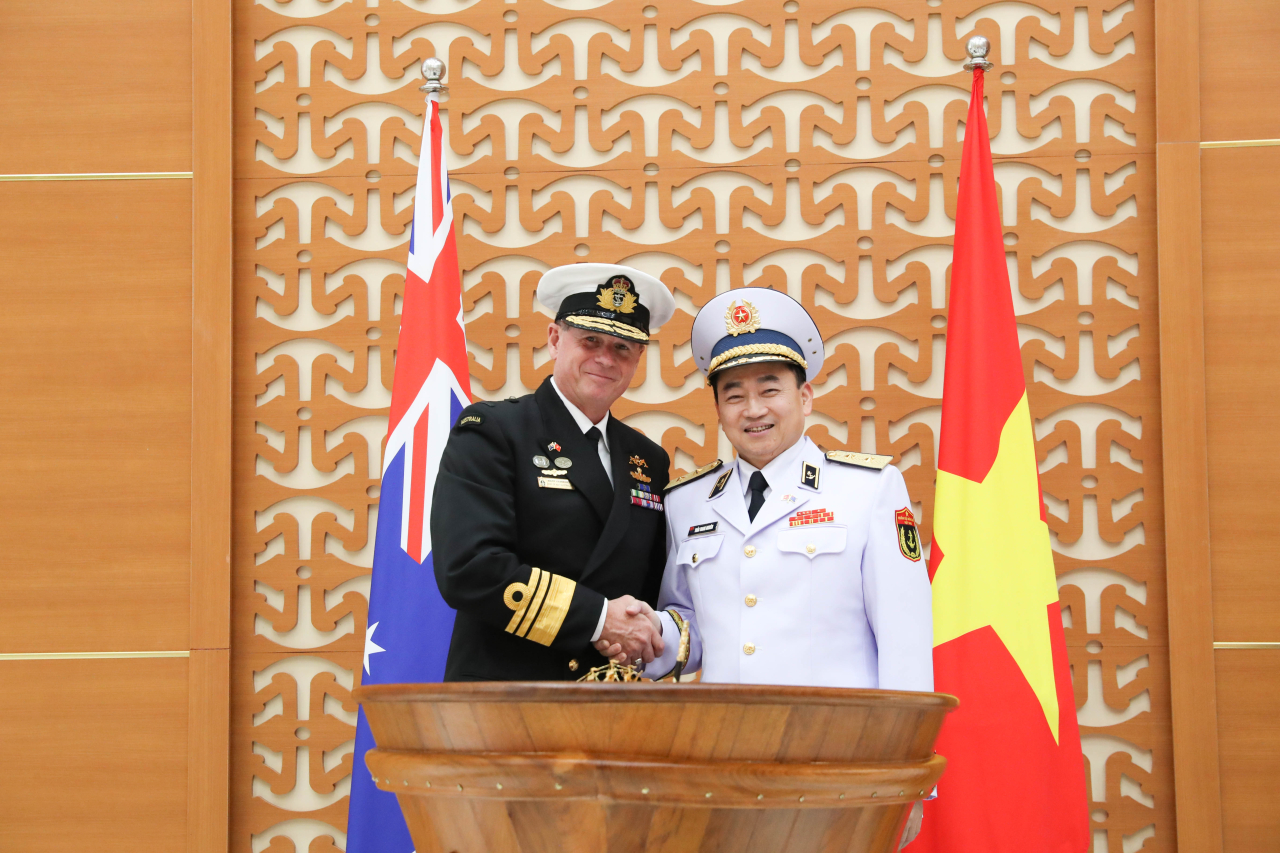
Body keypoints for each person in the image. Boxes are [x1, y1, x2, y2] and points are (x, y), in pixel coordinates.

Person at [598, 287, 934, 840]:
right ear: (718, 409)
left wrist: (906, 778)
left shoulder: (868, 489)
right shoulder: (687, 502)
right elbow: (690, 624)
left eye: (769, 389)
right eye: (734, 394)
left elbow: (905, 641)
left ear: (805, 396)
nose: (753, 409)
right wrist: (642, 634)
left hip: (839, 767)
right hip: (722, 769)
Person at [430, 263, 675, 681]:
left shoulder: (648, 460)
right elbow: (470, 568)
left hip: (611, 697)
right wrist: (598, 619)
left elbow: (650, 584)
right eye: (590, 340)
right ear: (555, 340)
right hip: (510, 694)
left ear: (639, 357)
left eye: (622, 347)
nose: (605, 359)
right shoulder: (493, 431)